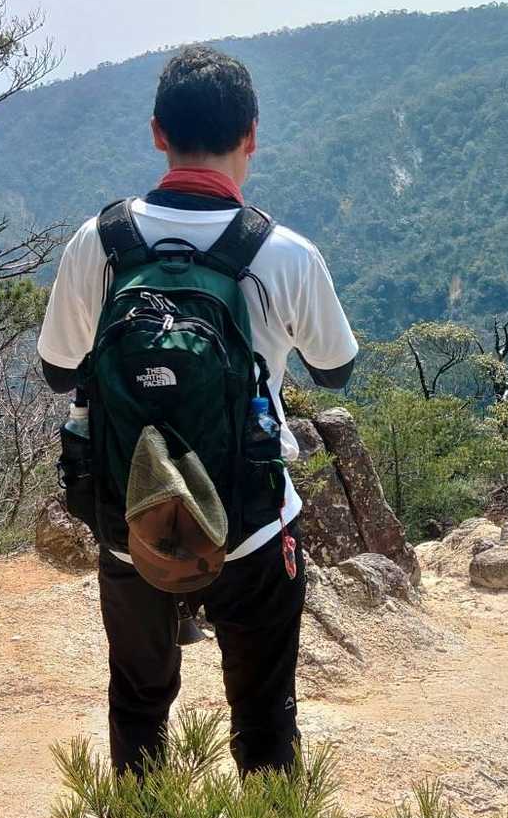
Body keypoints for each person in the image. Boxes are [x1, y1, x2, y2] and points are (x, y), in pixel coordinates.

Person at [37, 44, 358, 776]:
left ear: (158, 133)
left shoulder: (100, 242)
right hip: (252, 523)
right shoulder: (282, 252)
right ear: (251, 134)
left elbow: (58, 371)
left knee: (138, 704)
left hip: (133, 520)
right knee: (265, 717)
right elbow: (336, 369)